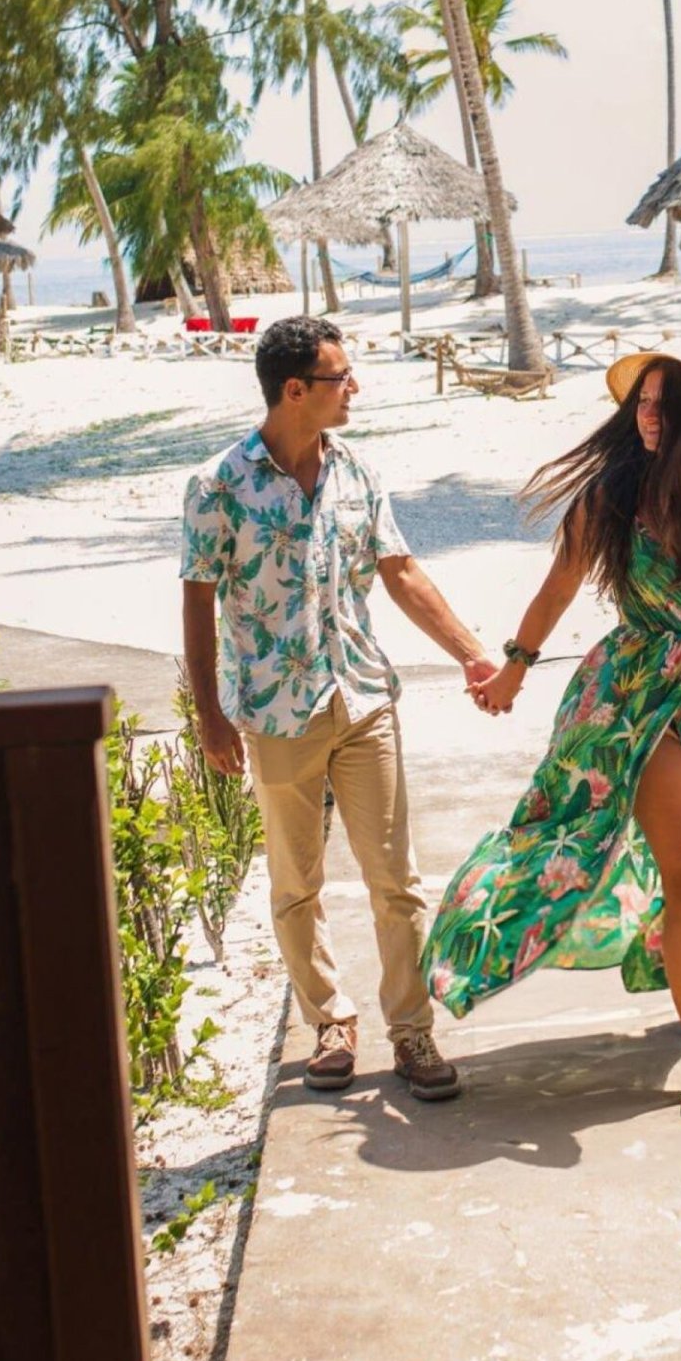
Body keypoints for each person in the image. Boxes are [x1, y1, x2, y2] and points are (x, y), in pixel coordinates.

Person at [422, 337, 681, 1125]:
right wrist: (515, 668)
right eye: (643, 404)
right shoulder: (611, 496)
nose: (649, 417)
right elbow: (558, 586)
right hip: (635, 697)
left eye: (666, 404)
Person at [180, 314, 493, 1098]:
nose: (355, 387)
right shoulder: (218, 485)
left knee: (396, 880)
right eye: (340, 377)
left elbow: (402, 572)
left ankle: (412, 1032)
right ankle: (329, 1019)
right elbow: (197, 601)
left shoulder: (357, 472)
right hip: (274, 710)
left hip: (362, 696)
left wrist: (472, 653)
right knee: (296, 883)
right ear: (295, 390)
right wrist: (210, 714)